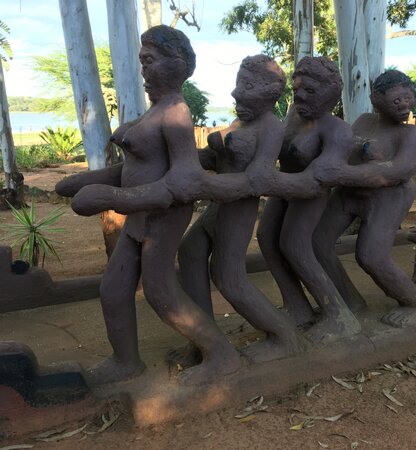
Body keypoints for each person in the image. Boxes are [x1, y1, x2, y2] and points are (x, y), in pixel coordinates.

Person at [55, 25, 248, 385]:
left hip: (162, 217)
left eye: (150, 60)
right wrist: (87, 181)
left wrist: (111, 197)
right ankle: (126, 361)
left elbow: (182, 183)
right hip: (140, 215)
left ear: (176, 64)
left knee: (161, 292)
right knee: (114, 288)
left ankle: (222, 355)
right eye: (142, 60)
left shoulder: (176, 113)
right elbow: (135, 167)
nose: (143, 68)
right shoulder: (154, 111)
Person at [174, 55, 305, 366]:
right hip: (217, 208)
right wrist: (177, 151)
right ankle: (204, 341)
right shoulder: (240, 123)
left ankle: (285, 337)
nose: (236, 93)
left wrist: (203, 185)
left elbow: (257, 179)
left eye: (247, 86)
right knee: (190, 252)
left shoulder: (270, 128)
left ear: (271, 93)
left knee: (228, 276)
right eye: (238, 84)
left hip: (237, 213)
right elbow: (210, 159)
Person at [312, 70, 416, 328]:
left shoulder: (410, 133)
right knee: (317, 244)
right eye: (397, 100)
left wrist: (342, 173)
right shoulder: (364, 121)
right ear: (376, 99)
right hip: (349, 192)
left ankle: (415, 303)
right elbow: (341, 150)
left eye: (409, 98)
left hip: (388, 197)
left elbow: (400, 171)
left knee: (370, 256)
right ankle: (349, 299)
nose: (405, 106)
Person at [256, 56, 361, 343]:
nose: (300, 95)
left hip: (309, 194)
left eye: (310, 91)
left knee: (294, 245)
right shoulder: (292, 116)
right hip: (284, 188)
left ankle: (339, 316)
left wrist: (265, 181)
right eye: (297, 89)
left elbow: (318, 178)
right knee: (266, 237)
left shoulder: (337, 130)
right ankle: (297, 307)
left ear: (330, 94)